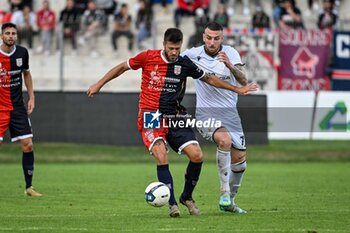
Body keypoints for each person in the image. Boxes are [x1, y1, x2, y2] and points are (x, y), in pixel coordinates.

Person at [87, 27, 257, 217]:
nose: (174, 52)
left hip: (175, 116)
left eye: (177, 48)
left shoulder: (185, 63)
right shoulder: (148, 57)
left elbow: (210, 79)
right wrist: (98, 84)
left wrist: (237, 89)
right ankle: (172, 204)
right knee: (161, 154)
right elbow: (121, 67)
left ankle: (187, 196)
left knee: (197, 155)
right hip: (151, 115)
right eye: (171, 48)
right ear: (164, 45)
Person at [182, 22, 254, 213]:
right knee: (224, 140)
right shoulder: (192, 54)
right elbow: (174, 65)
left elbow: (244, 81)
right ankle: (223, 191)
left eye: (216, 38)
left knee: (240, 161)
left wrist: (230, 65)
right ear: (203, 37)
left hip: (230, 114)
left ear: (222, 38)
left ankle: (229, 202)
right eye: (208, 37)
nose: (212, 42)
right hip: (206, 113)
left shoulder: (231, 53)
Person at [0, 22, 42, 197]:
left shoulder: (22, 52)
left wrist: (31, 97)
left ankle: (29, 187)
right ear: (2, 36)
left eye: (13, 33)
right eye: (7, 33)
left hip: (17, 108)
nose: (11, 36)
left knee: (28, 145)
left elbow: (26, 73)